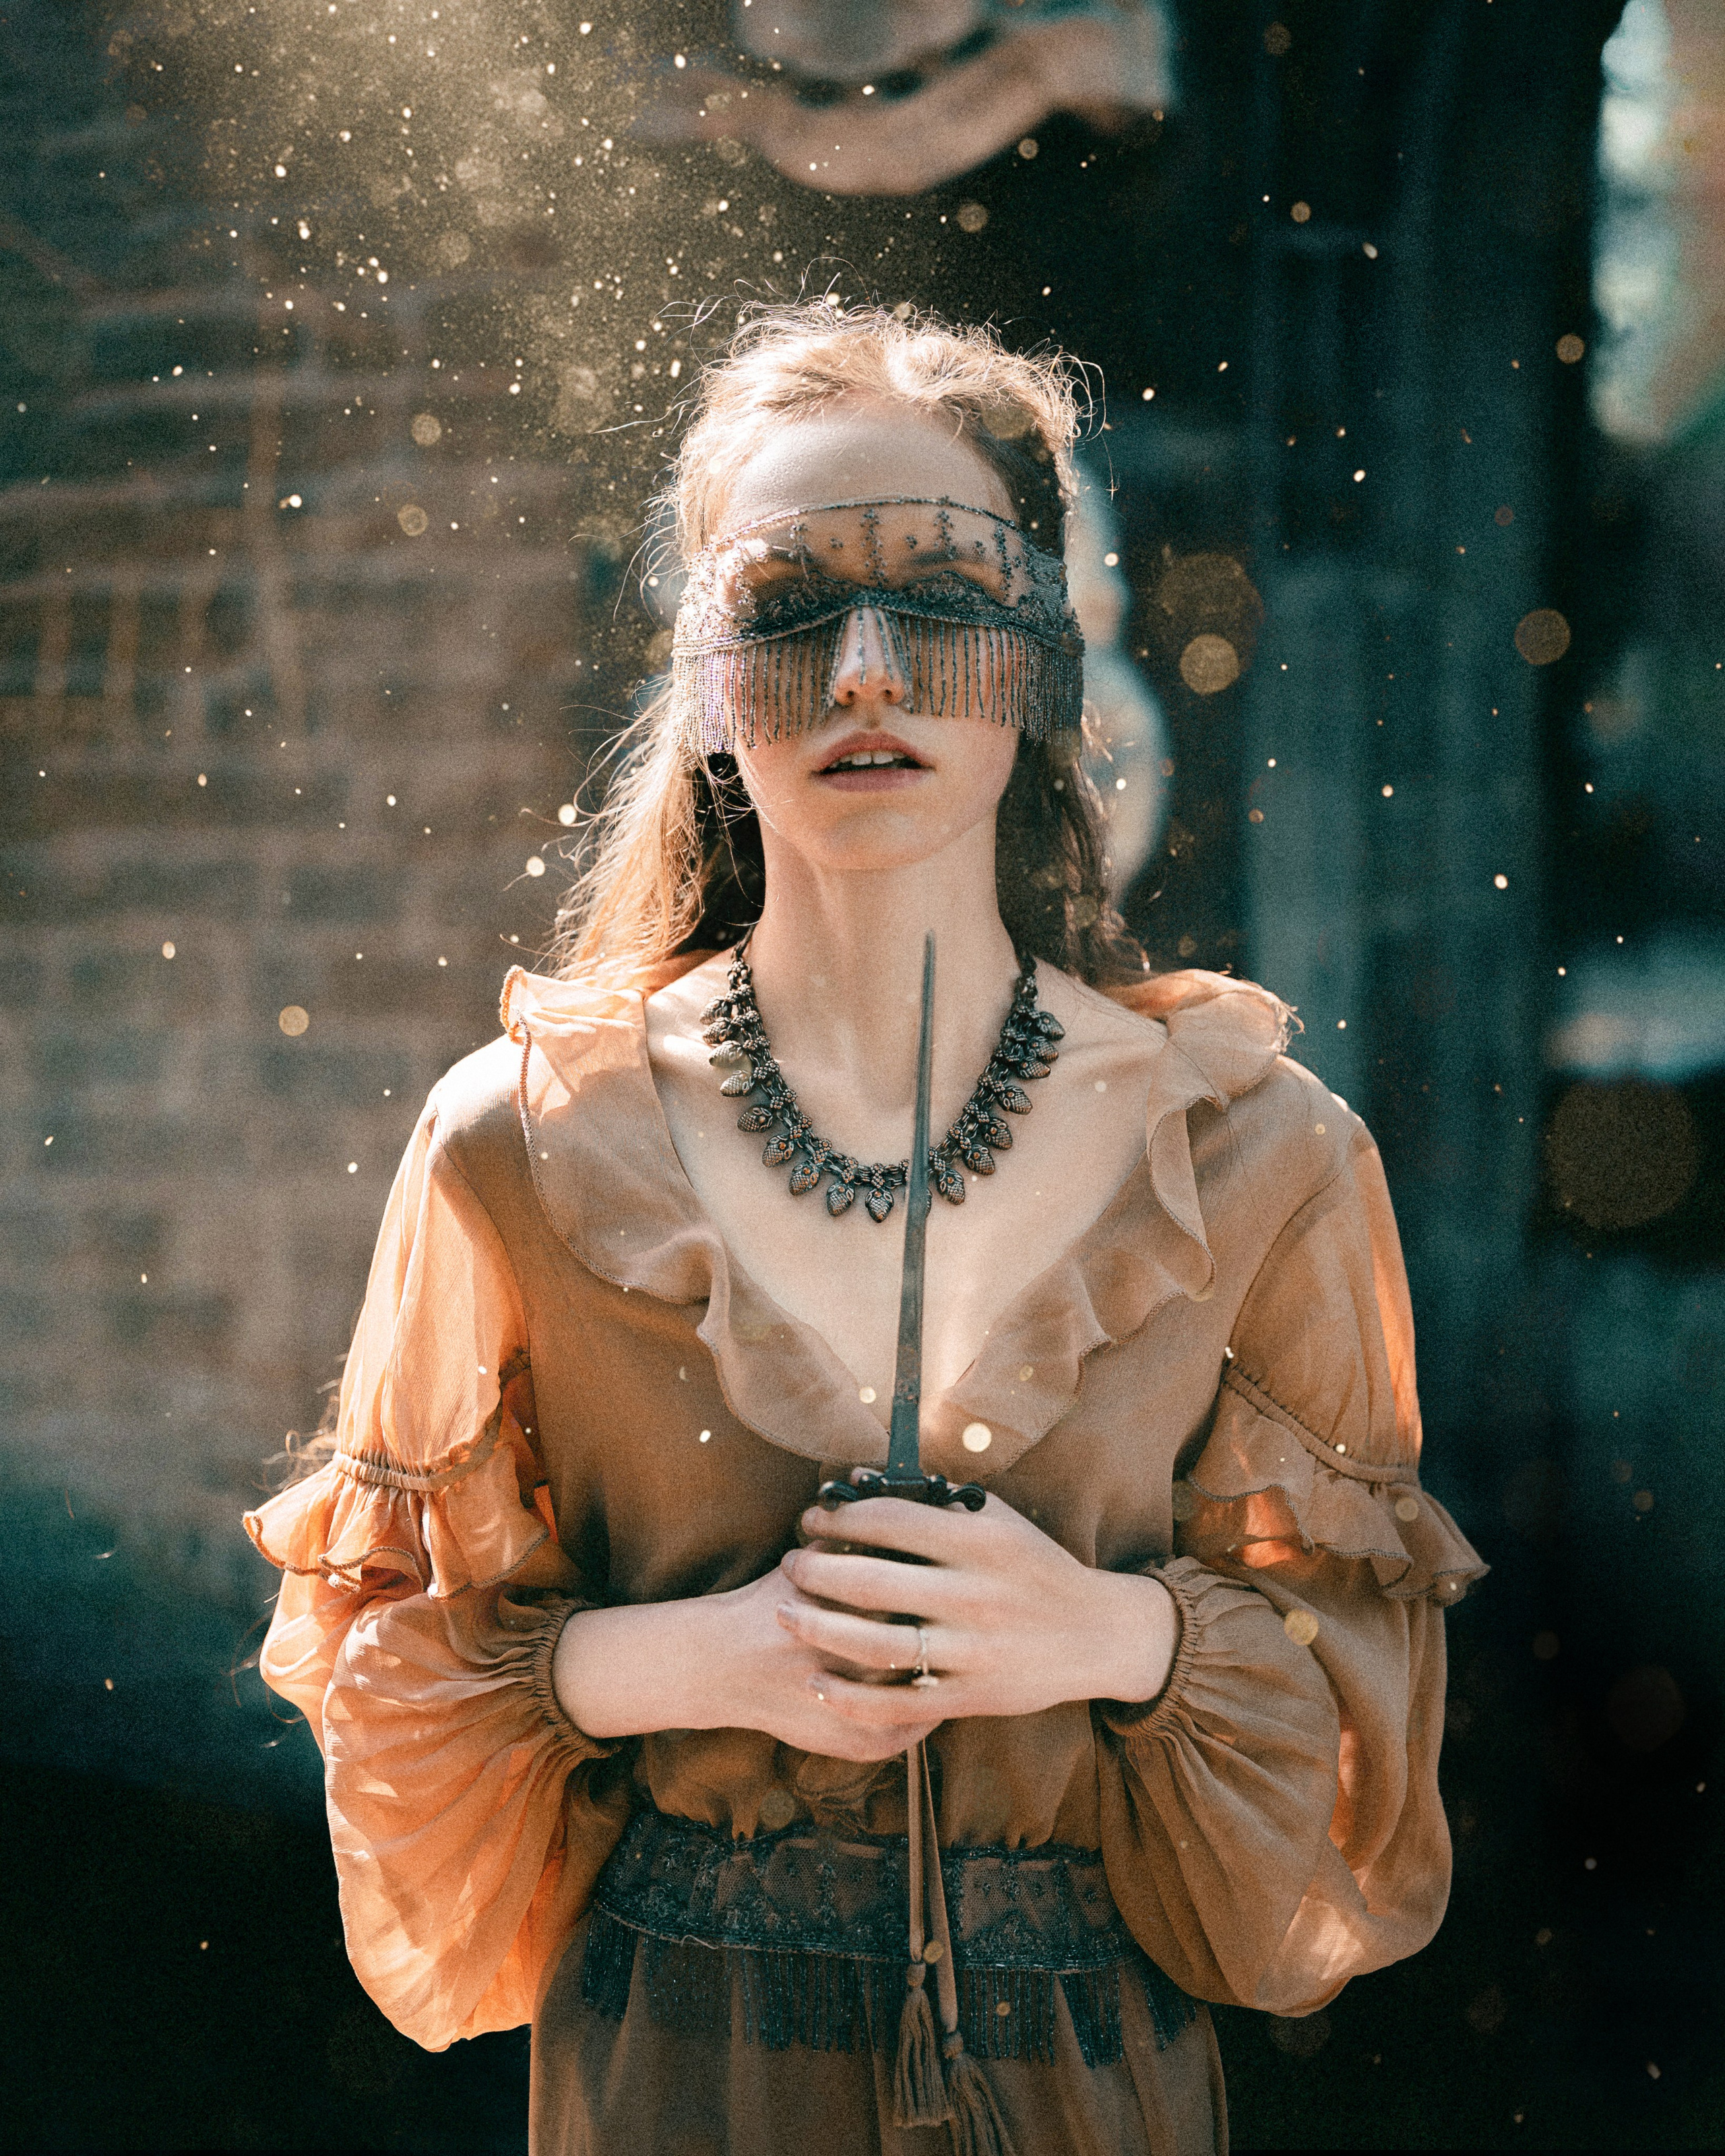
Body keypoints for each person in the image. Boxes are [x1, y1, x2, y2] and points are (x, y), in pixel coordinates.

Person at [245, 303, 1486, 2156]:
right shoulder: (514, 1144)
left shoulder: (1263, 1160)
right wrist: (676, 1662)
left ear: (1048, 659)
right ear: (706, 677)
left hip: (1094, 2093)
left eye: (949, 598)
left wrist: (1114, 1638)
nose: (870, 673)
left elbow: (1346, 1780)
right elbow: (388, 1688)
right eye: (789, 607)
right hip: (674, 2081)